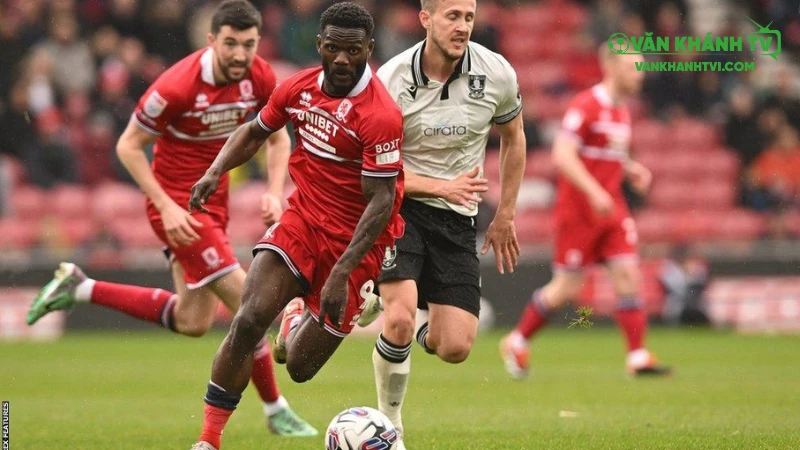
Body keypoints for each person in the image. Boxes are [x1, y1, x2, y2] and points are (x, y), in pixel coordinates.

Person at [25, 0, 316, 437]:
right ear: (211, 40)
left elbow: (276, 139)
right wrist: (165, 205)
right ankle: (268, 412)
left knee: (192, 320)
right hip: (178, 206)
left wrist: (275, 190)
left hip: (212, 201)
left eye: (249, 44)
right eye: (232, 44)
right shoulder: (177, 85)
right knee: (251, 305)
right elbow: (127, 146)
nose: (241, 54)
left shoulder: (259, 76)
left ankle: (80, 287)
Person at [187, 3, 405, 450]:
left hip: (358, 244)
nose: (342, 60)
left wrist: (343, 272)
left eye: (353, 50)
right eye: (334, 49)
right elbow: (254, 131)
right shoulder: (299, 88)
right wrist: (214, 172)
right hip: (302, 221)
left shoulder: (380, 114)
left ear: (369, 49)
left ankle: (301, 315)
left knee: (300, 368)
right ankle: (209, 440)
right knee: (246, 322)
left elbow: (382, 202)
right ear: (320, 45)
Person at [356, 0, 527, 447]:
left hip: (457, 219)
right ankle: (389, 424)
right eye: (452, 16)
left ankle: (390, 300)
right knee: (398, 319)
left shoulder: (496, 73)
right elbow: (375, 168)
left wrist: (505, 214)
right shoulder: (390, 79)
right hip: (400, 209)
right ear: (425, 19)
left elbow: (514, 136)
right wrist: (439, 186)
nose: (463, 26)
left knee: (455, 348)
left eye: (469, 17)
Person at [500, 45, 672, 379]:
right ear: (611, 67)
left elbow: (605, 154)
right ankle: (517, 341)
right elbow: (563, 155)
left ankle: (637, 356)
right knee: (567, 288)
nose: (641, 74)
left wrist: (630, 168)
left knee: (628, 275)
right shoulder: (587, 105)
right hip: (580, 211)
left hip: (612, 208)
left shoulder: (622, 111)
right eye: (633, 67)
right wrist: (594, 191)